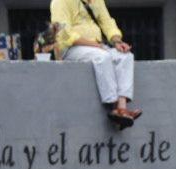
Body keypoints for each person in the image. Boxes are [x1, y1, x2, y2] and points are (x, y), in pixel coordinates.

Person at [52, 0, 141, 129]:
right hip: (71, 49)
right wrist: (96, 45)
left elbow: (106, 21)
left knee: (125, 56)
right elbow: (64, 34)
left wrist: (117, 41)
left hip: (97, 47)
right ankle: (114, 105)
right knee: (103, 57)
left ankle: (122, 107)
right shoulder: (60, 2)